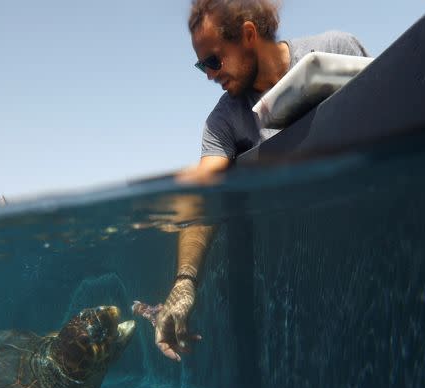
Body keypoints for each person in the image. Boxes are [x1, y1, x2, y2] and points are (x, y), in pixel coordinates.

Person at [154, 0, 368, 362]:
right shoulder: (222, 123)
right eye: (201, 64)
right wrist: (185, 282)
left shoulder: (337, 47)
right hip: (310, 274)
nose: (208, 75)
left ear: (249, 35)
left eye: (213, 61)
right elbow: (204, 193)